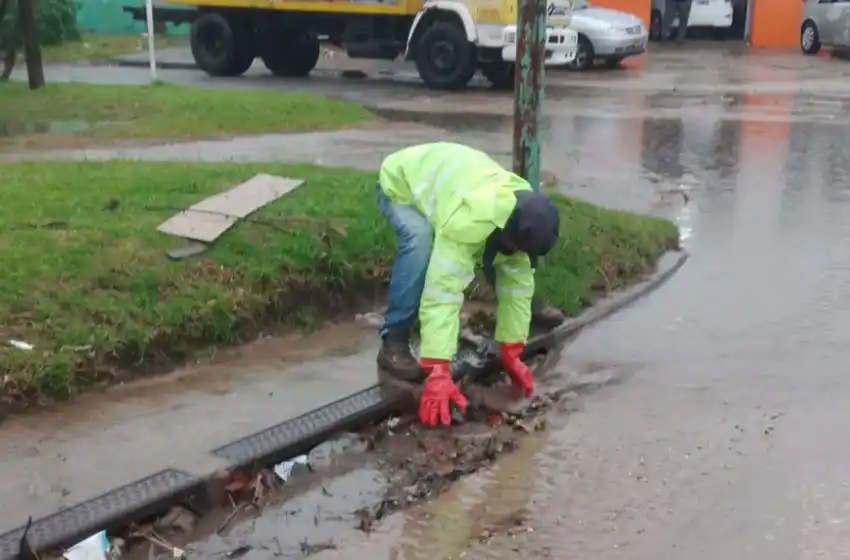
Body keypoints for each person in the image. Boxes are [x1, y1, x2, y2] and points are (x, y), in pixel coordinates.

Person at [375, 142, 564, 427]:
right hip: (403, 181)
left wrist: (511, 351)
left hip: (452, 181)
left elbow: (517, 286)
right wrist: (438, 368)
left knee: (504, 262)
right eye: (515, 246)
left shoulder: (521, 211)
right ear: (506, 229)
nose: (518, 254)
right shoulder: (469, 219)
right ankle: (394, 340)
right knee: (421, 242)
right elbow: (443, 291)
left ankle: (517, 321)